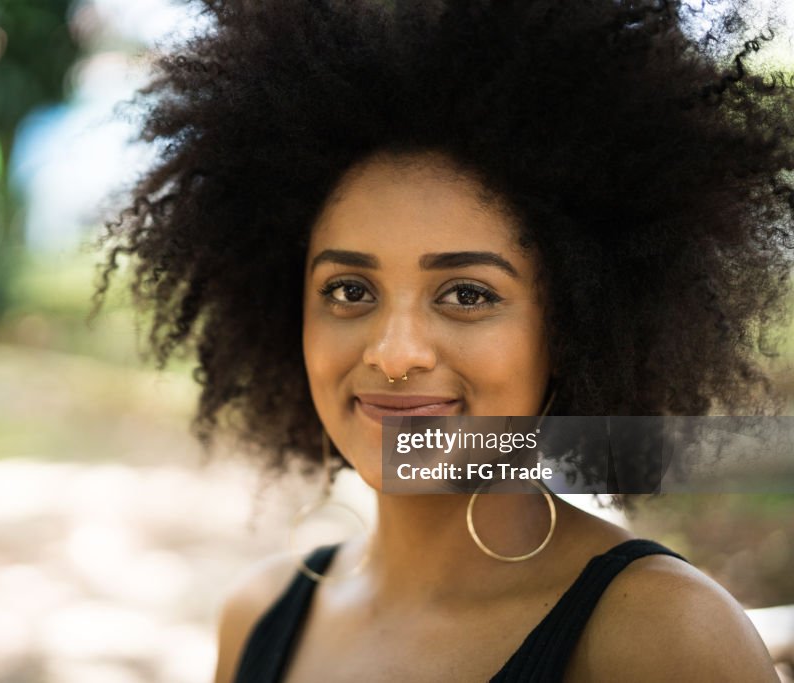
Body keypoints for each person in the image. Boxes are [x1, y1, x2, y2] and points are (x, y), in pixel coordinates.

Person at [96, 0, 793, 680]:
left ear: (573, 325)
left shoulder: (663, 637)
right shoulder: (256, 619)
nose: (394, 354)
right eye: (349, 290)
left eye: (467, 294)